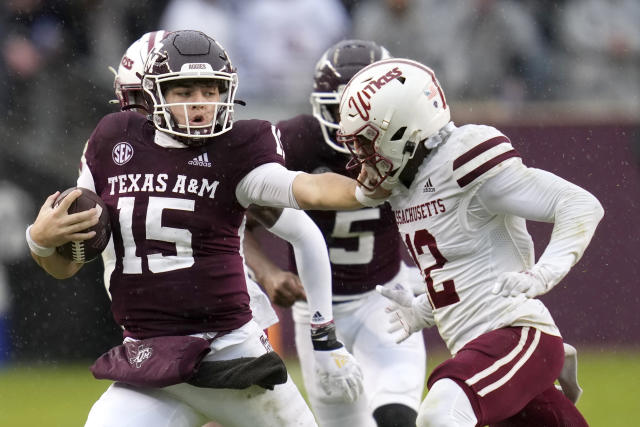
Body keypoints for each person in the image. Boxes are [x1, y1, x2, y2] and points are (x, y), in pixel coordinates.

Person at [25, 30, 366, 427]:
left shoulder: (237, 149)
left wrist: (370, 188)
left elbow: (309, 189)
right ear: (151, 96)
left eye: (210, 91)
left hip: (231, 358)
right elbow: (65, 264)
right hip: (150, 360)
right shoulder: (112, 142)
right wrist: (40, 241)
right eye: (184, 92)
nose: (199, 105)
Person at [335, 58, 602, 426]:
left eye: (367, 141)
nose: (362, 155)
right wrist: (423, 310)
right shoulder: (403, 186)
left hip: (515, 334)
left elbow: (580, 204)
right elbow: (460, 268)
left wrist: (545, 272)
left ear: (404, 129)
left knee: (441, 412)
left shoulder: (461, 159)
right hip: (481, 349)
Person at [244, 39, 427, 427]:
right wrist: (267, 272)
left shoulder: (416, 143)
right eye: (342, 110)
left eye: (368, 112)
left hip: (386, 298)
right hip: (317, 311)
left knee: (397, 416)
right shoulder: (295, 142)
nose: (354, 127)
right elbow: (230, 222)